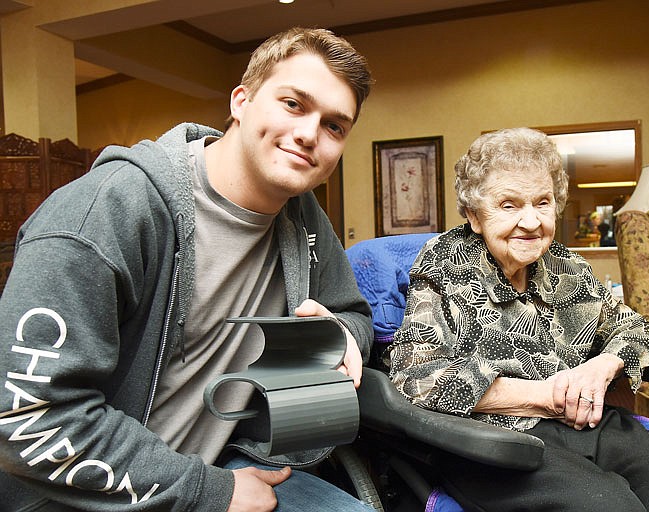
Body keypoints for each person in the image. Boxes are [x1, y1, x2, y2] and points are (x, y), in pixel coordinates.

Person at [0, 27, 374, 512]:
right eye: (293, 104)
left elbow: (352, 316)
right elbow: (28, 419)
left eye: (334, 126)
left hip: (235, 459)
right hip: (95, 492)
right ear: (240, 101)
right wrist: (211, 494)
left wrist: (340, 332)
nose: (309, 134)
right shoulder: (107, 212)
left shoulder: (304, 217)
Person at [386, 127, 649, 511]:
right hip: (494, 441)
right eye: (508, 205)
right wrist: (544, 396)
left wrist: (601, 367)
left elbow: (638, 331)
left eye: (542, 202)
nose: (532, 221)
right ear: (474, 215)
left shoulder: (567, 266)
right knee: (609, 504)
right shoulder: (444, 263)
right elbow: (414, 375)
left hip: (583, 424)